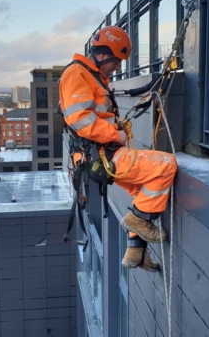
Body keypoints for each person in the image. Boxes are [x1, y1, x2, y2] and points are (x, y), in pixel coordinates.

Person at [59, 26, 178, 272]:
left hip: (103, 154)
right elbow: (80, 120)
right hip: (102, 154)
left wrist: (116, 128)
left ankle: (135, 254)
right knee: (166, 165)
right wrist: (116, 135)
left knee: (143, 192)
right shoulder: (77, 74)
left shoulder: (92, 76)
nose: (117, 68)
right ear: (102, 55)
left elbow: (95, 114)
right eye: (115, 62)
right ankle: (137, 220)